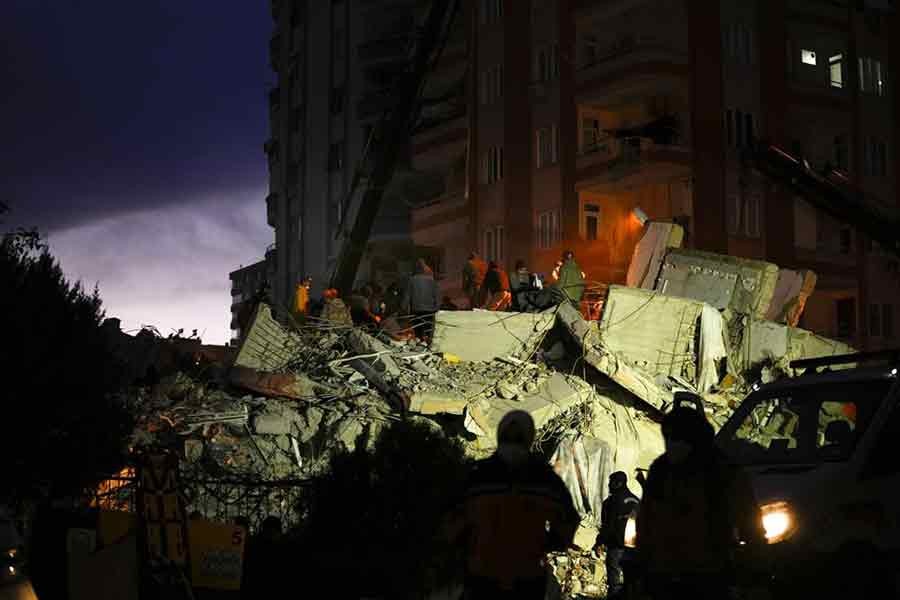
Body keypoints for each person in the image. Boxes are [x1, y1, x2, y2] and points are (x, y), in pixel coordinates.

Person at [441, 410, 580, 600]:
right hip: (526, 573)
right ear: (529, 438)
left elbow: (452, 520)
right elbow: (568, 519)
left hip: (482, 572)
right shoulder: (544, 478)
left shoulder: (477, 474)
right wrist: (548, 543)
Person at [635, 404, 766, 599]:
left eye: (678, 438)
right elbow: (645, 519)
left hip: (709, 574)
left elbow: (749, 523)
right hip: (664, 575)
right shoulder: (661, 470)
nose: (671, 444)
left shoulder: (723, 471)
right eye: (668, 438)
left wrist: (755, 573)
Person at [596, 472, 640, 599]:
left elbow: (608, 526)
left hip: (617, 546)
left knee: (615, 583)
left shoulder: (612, 502)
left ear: (618, 483)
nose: (609, 485)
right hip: (636, 548)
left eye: (611, 482)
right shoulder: (636, 500)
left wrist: (599, 542)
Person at [404, 258, 440, 340]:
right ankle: (428, 345)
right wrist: (437, 307)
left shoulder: (411, 280)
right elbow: (436, 295)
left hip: (416, 309)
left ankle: (420, 343)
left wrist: (404, 308)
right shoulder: (431, 280)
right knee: (429, 331)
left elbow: (407, 296)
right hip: (430, 310)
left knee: (418, 332)